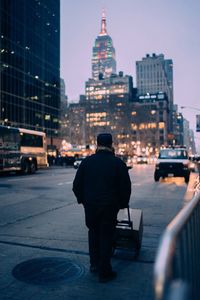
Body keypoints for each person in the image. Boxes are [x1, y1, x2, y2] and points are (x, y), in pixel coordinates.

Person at [72, 133, 131, 283]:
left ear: (96, 144)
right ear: (111, 144)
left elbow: (76, 185)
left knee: (93, 233)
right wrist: (122, 204)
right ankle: (105, 271)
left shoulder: (87, 162)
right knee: (106, 236)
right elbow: (126, 187)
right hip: (110, 206)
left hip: (91, 206)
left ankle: (94, 264)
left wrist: (83, 200)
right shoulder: (118, 163)